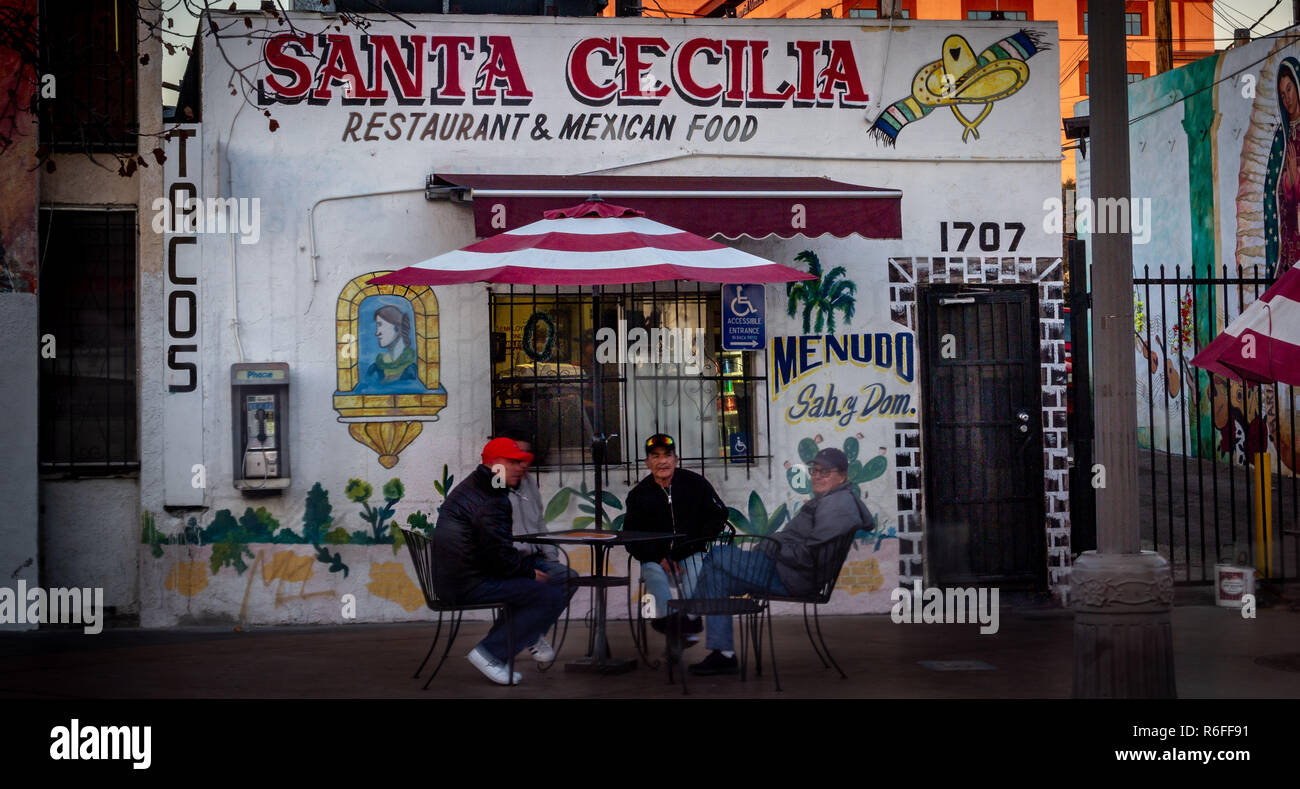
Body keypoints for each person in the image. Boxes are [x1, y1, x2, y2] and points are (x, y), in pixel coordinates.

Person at [689, 447, 873, 676]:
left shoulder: (837, 506)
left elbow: (810, 557)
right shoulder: (830, 500)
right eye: (814, 470)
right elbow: (801, 544)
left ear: (842, 475)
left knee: (716, 555)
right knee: (717, 577)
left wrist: (773, 548)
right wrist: (774, 545)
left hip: (791, 576)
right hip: (783, 570)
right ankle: (723, 654)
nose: (817, 476)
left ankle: (690, 618)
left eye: (825, 472)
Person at [432, 437, 575, 685]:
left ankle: (514, 639)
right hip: (467, 583)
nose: (521, 467)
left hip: (465, 575)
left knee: (547, 586)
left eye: (522, 462)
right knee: (547, 595)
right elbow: (497, 553)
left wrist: (526, 569)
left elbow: (495, 550)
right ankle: (489, 653)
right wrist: (529, 573)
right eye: (514, 462)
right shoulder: (490, 499)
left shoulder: (484, 488)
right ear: (495, 463)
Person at [623, 433, 729, 648]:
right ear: (647, 462)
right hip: (658, 558)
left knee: (697, 566)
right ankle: (669, 620)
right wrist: (658, 557)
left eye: (667, 455)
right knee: (651, 570)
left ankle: (688, 620)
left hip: (691, 551)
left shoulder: (695, 483)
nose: (662, 461)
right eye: (655, 456)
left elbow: (719, 514)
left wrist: (692, 545)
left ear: (676, 459)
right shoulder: (638, 495)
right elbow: (631, 536)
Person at [501, 430, 578, 660]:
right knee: (532, 590)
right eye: (516, 455)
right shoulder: (494, 486)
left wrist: (550, 557)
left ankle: (532, 632)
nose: (523, 460)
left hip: (534, 557)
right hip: (509, 561)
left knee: (568, 578)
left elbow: (539, 521)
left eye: (526, 455)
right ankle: (519, 635)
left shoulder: (529, 482)